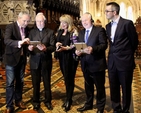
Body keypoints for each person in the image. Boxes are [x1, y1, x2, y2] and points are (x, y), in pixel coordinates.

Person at [105, 2, 138, 113]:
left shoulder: (127, 23)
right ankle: (116, 108)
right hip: (112, 62)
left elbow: (134, 42)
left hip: (124, 62)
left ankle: (125, 109)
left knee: (125, 88)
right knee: (113, 87)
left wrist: (126, 54)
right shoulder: (108, 26)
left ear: (114, 12)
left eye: (107, 11)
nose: (105, 13)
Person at [76, 12, 107, 113]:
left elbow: (104, 45)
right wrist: (77, 52)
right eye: (82, 20)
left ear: (91, 20)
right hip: (85, 64)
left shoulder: (99, 30)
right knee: (88, 86)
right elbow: (80, 46)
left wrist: (93, 49)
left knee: (100, 87)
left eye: (86, 20)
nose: (84, 22)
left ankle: (100, 107)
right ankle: (88, 104)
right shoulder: (81, 32)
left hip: (97, 64)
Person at [3, 11, 31, 113]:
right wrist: (20, 42)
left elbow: (26, 44)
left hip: (21, 59)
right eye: (24, 21)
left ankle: (18, 100)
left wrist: (29, 46)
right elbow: (6, 40)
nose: (26, 23)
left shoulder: (26, 29)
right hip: (11, 59)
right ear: (18, 18)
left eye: (28, 21)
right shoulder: (11, 27)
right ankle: (9, 106)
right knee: (10, 83)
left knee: (20, 81)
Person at [28, 12, 55, 111]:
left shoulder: (50, 32)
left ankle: (48, 101)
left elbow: (53, 47)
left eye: (41, 21)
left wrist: (45, 49)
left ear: (44, 21)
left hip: (46, 61)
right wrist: (29, 48)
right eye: (38, 21)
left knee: (47, 82)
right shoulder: (31, 32)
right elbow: (28, 46)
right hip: (34, 61)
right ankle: (36, 101)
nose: (39, 23)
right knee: (35, 83)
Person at [55, 14, 79, 112]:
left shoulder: (73, 31)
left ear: (68, 23)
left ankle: (69, 99)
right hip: (62, 57)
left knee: (70, 78)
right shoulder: (59, 31)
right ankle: (68, 97)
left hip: (70, 58)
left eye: (64, 22)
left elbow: (75, 45)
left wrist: (66, 48)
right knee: (66, 78)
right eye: (61, 22)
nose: (62, 24)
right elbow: (56, 41)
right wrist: (57, 44)